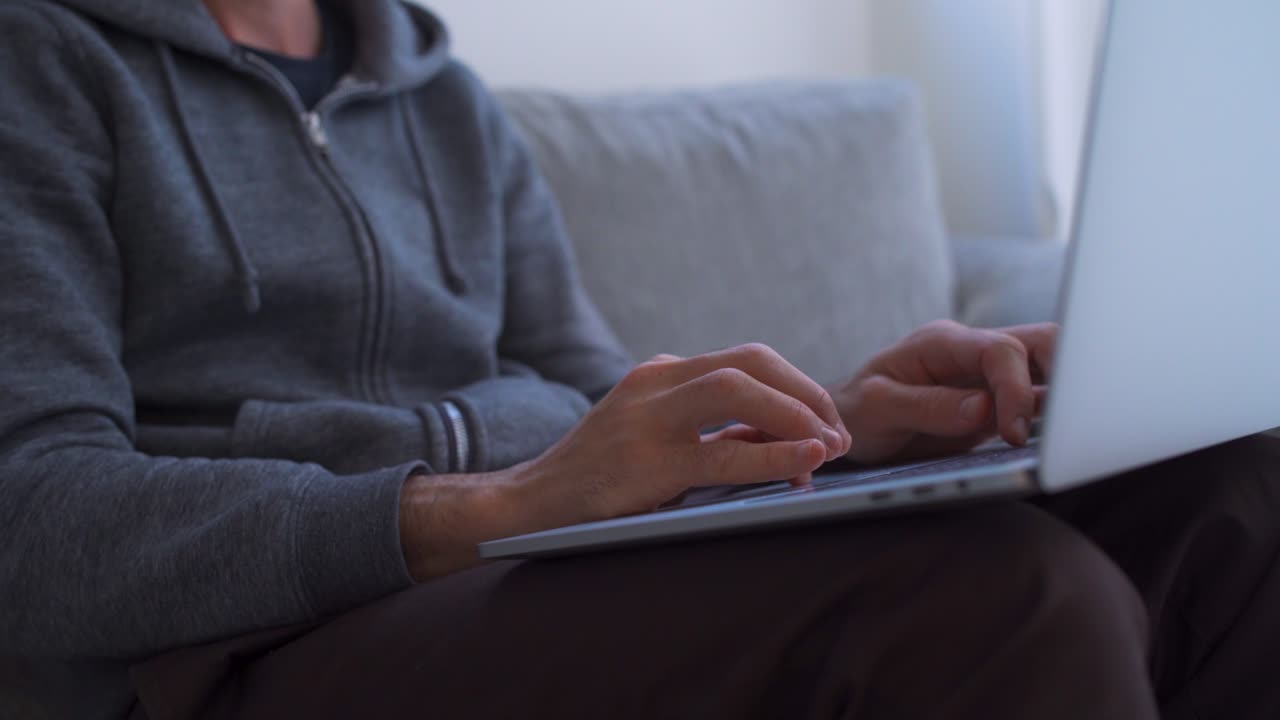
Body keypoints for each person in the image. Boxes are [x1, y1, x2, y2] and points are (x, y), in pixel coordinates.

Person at [0, 0, 1276, 718]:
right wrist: (492, 503)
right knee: (1001, 590)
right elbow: (34, 524)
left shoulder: (442, 97)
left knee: (1232, 489)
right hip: (225, 652)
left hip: (486, 573)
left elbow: (594, 408)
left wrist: (833, 422)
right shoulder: (39, 61)